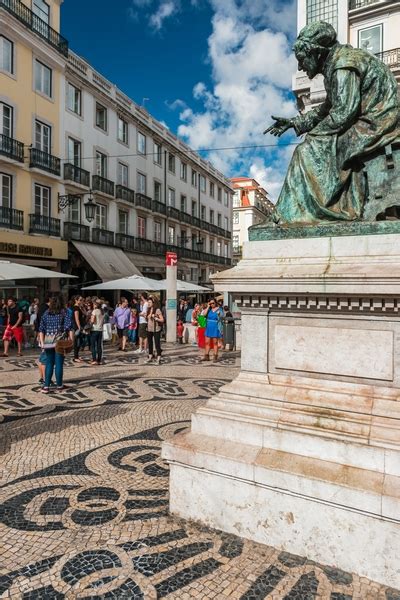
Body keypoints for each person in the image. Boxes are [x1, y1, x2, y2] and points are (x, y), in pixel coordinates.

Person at [264, 21, 400, 224]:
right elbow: (327, 108)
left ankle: (309, 214)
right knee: (314, 146)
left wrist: (314, 136)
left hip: (377, 123)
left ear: (316, 53)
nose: (300, 66)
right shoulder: (338, 62)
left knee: (306, 151)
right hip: (373, 120)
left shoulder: (343, 64)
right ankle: (303, 212)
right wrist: (295, 122)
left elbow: (343, 113)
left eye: (301, 59)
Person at [39, 295, 73, 393]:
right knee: (59, 364)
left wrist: (42, 342)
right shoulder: (64, 312)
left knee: (49, 363)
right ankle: (59, 385)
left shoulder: (46, 313)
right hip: (60, 341)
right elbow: (69, 327)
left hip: (48, 341)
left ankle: (46, 386)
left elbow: (41, 329)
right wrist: (71, 340)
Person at [146, 296, 164, 364]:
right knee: (150, 343)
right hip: (149, 328)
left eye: (150, 302)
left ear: (153, 303)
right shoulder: (148, 309)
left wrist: (156, 318)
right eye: (148, 302)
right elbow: (147, 317)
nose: (148, 303)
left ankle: (159, 357)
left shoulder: (157, 310)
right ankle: (150, 356)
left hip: (156, 329)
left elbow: (162, 319)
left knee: (157, 344)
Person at [90, 299, 104, 365]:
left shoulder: (94, 311)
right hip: (100, 330)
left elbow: (92, 321)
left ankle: (94, 359)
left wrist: (90, 321)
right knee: (99, 346)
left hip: (94, 329)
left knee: (93, 345)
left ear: (96, 305)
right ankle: (99, 360)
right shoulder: (102, 311)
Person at [72, 296, 85, 363]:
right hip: (77, 327)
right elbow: (76, 318)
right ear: (76, 300)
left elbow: (84, 314)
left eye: (82, 300)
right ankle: (75, 357)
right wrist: (79, 326)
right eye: (80, 300)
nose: (81, 301)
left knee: (79, 341)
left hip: (79, 326)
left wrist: (82, 307)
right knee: (77, 342)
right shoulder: (76, 308)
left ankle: (77, 355)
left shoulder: (79, 307)